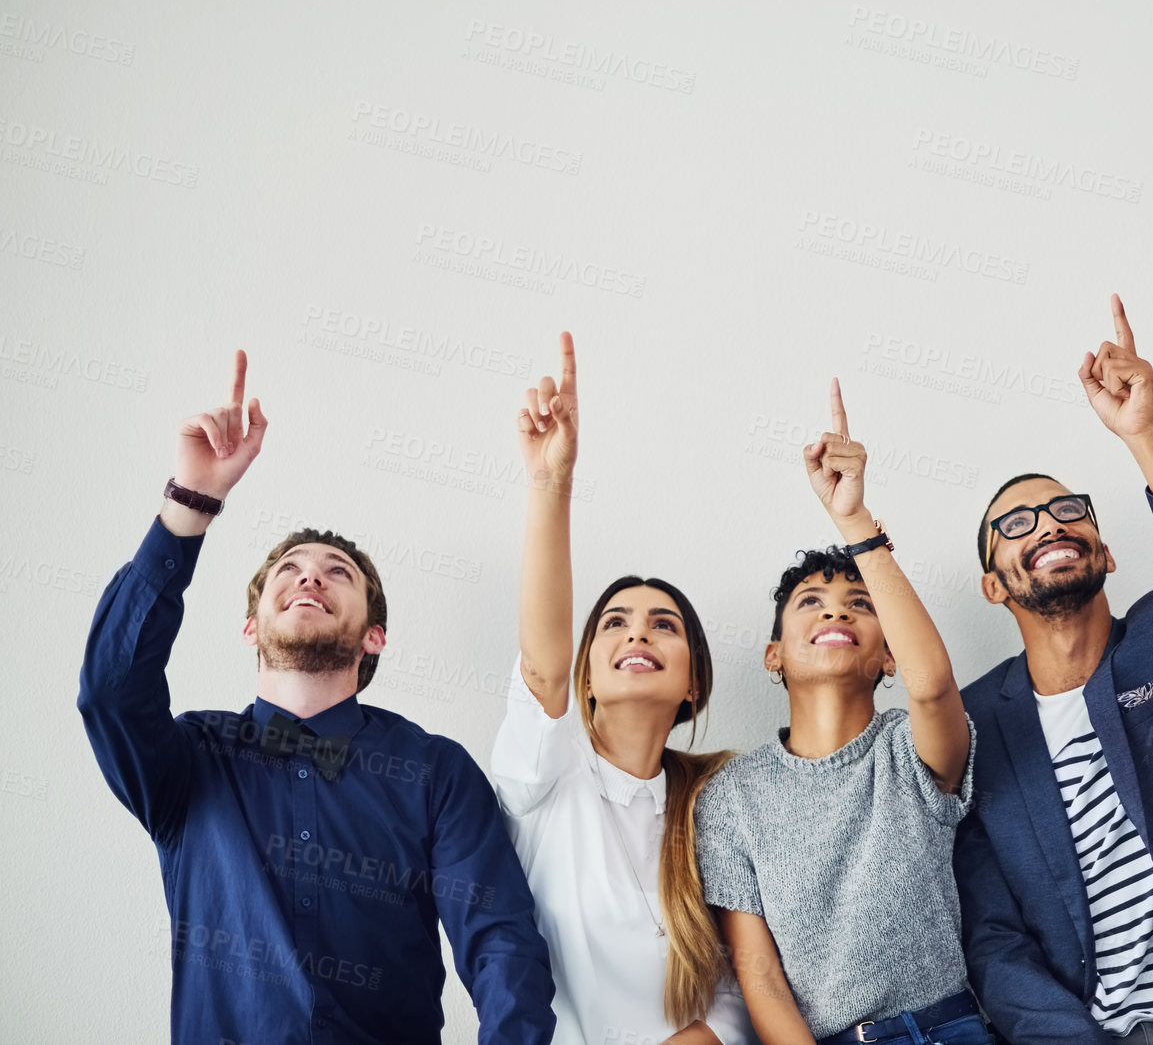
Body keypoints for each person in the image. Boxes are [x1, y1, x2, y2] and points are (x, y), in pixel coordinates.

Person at [77, 351, 556, 1045]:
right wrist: (190, 500)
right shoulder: (187, 760)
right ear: (251, 625)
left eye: (338, 574)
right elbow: (110, 689)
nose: (310, 579)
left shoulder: (435, 771)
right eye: (289, 571)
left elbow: (501, 941)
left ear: (374, 636)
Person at [956, 295, 1153, 1045]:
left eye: (1068, 509)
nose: (1046, 523)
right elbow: (994, 941)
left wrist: (1144, 436)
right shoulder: (975, 723)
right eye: (1015, 522)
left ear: (1104, 553)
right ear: (994, 585)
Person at [696, 380, 986, 1045]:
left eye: (858, 603)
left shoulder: (909, 747)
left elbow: (934, 683)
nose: (835, 610)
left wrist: (856, 524)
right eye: (811, 602)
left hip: (949, 1029)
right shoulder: (732, 796)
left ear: (887, 654)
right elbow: (758, 972)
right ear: (773, 654)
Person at [490, 332, 752, 1045]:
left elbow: (736, 988)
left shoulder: (716, 800)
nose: (636, 635)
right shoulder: (546, 774)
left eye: (662, 624)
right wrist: (552, 484)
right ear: (587, 676)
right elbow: (541, 666)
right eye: (614, 622)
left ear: (692, 680)